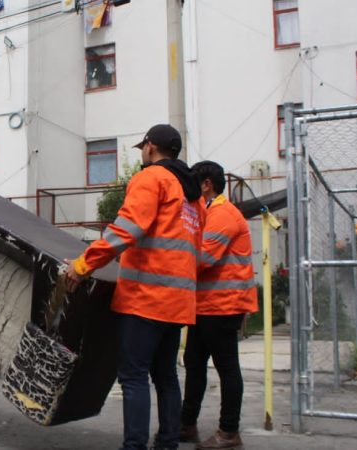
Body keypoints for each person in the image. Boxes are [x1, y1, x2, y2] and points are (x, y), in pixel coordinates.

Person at [64, 124, 205, 450]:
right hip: (178, 301)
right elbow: (194, 250)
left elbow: (126, 230)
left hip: (145, 298)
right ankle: (168, 442)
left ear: (151, 147)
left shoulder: (150, 179)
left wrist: (83, 265)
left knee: (134, 376)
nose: (142, 153)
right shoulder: (194, 198)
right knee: (166, 376)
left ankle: (134, 446)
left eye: (143, 147)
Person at [179, 161, 258, 450]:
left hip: (224, 305)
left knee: (226, 366)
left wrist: (170, 259)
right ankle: (187, 425)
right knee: (194, 363)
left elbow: (203, 259)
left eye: (191, 184)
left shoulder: (223, 214)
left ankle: (229, 432)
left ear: (206, 184)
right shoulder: (210, 212)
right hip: (205, 305)